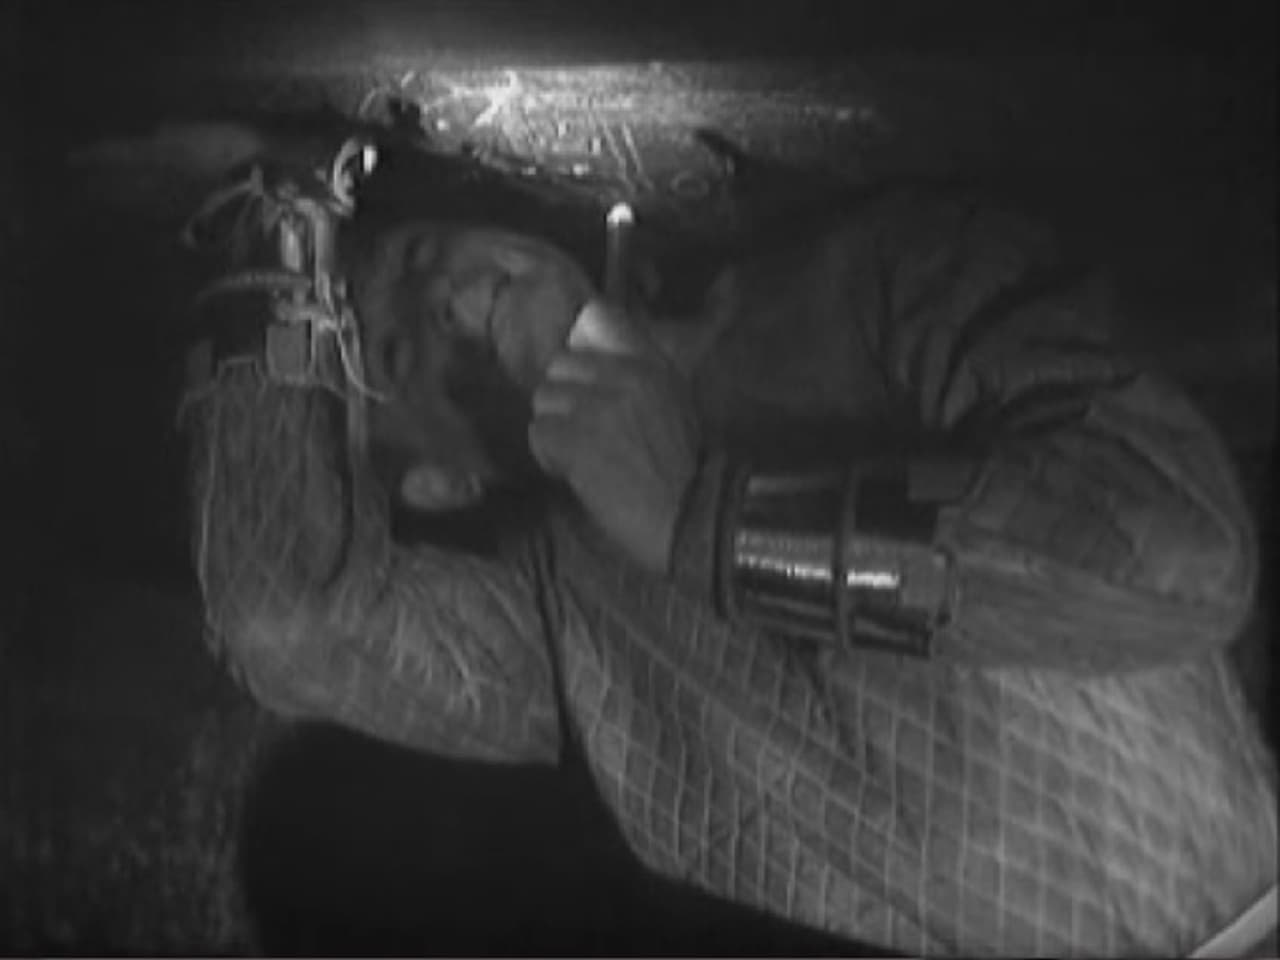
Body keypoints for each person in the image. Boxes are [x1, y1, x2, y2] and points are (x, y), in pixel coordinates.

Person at [180, 132, 1276, 957]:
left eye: (424, 251)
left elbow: (1183, 554)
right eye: (391, 349)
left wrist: (702, 519)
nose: (442, 296)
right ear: (443, 479)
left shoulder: (879, 280)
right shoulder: (562, 623)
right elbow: (288, 618)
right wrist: (273, 237)